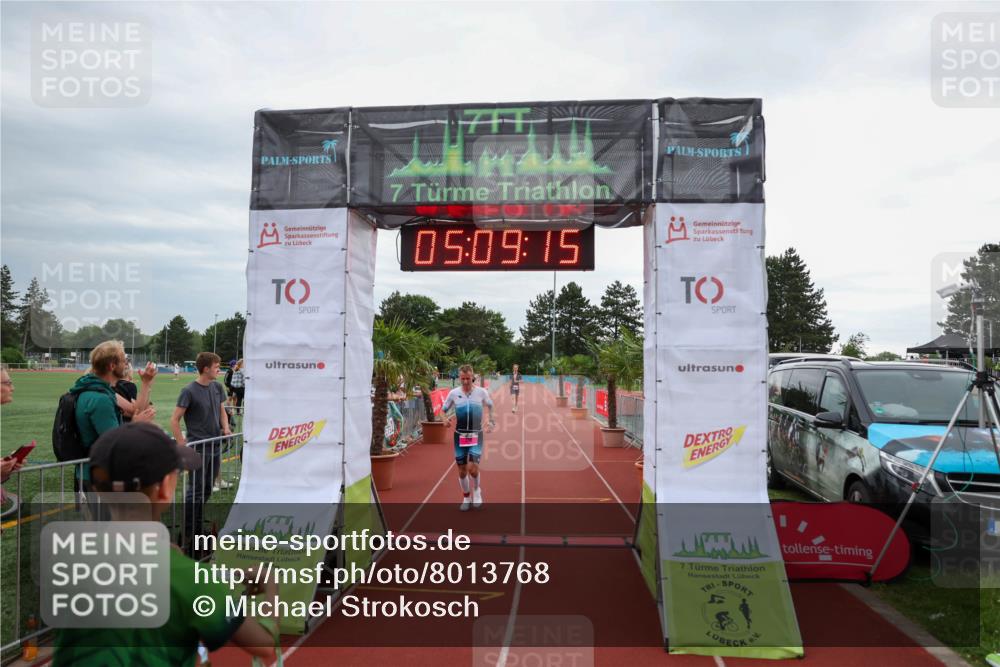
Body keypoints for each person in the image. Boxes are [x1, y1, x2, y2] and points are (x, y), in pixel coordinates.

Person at [52, 422, 279, 665]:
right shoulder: (193, 581)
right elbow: (264, 644)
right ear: (164, 489)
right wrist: (271, 587)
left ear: (98, 489)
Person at [72, 341, 156, 485]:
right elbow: (115, 444)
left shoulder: (92, 388)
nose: (126, 365)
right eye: (123, 361)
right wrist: (135, 424)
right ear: (112, 366)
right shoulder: (101, 399)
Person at [172, 352, 231, 551]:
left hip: (214, 446)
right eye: (216, 367)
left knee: (206, 489)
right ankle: (189, 532)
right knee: (195, 491)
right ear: (205, 369)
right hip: (198, 448)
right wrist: (182, 444)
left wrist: (226, 428)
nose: (219, 370)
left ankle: (197, 524)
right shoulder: (188, 390)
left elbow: (222, 410)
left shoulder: (217, 387)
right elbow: (174, 420)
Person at [442, 365, 495, 511]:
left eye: (468, 378)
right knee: (462, 471)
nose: (465, 381)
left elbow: (491, 406)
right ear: (459, 378)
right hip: (459, 436)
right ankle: (466, 497)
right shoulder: (454, 393)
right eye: (463, 378)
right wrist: (444, 419)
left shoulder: (481, 392)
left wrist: (491, 422)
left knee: (472, 468)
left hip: (476, 434)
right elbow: (442, 411)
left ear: (473, 377)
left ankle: (477, 490)